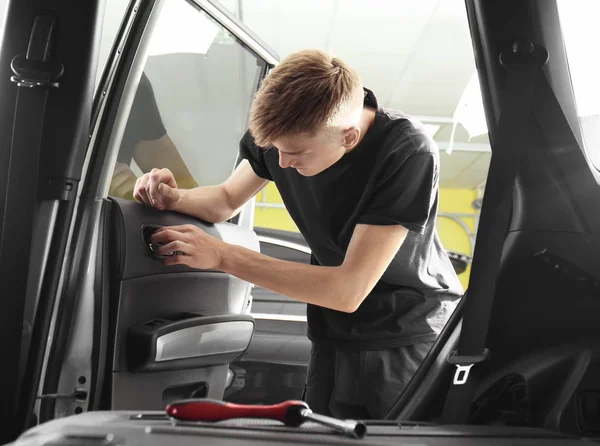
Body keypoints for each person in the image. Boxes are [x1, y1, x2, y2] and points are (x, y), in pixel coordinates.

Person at [133, 49, 464, 419]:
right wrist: (174, 197)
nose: (282, 163)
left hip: (405, 333)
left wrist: (223, 256)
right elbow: (225, 199)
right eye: (275, 150)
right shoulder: (282, 131)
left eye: (295, 154)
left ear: (349, 137)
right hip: (331, 332)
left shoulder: (406, 151)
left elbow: (347, 289)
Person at [109, 72, 198, 199]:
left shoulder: (129, 80)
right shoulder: (129, 78)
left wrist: (134, 195)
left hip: (102, 212)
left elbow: (184, 191)